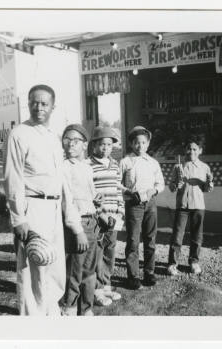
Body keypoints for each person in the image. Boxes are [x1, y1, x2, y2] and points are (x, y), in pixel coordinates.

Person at [4, 84, 85, 316]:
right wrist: (19, 219)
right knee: (33, 269)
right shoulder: (18, 134)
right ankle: (33, 322)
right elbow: (13, 178)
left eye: (44, 103)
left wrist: (72, 220)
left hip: (53, 208)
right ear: (28, 104)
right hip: (33, 208)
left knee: (54, 267)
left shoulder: (53, 136)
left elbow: (61, 180)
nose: (38, 107)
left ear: (53, 107)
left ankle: (51, 314)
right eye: (34, 102)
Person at [119, 126, 165, 290]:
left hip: (150, 203)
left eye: (143, 142)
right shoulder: (125, 162)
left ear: (148, 144)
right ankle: (133, 276)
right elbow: (117, 183)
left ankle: (149, 273)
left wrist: (154, 190)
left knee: (150, 238)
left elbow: (160, 183)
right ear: (132, 143)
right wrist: (129, 192)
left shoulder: (153, 163)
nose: (140, 146)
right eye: (136, 142)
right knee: (133, 240)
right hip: (134, 204)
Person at [60, 124, 99, 316]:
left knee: (90, 270)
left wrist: (96, 202)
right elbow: (67, 201)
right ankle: (69, 307)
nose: (70, 145)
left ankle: (86, 308)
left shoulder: (86, 167)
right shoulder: (64, 168)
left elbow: (89, 195)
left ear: (85, 145)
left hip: (92, 222)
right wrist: (78, 230)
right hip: (78, 225)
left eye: (75, 141)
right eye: (66, 140)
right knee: (75, 271)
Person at [86, 126, 124, 306]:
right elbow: (88, 192)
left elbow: (118, 191)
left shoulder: (115, 165)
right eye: (102, 144)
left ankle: (106, 285)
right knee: (97, 253)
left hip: (114, 216)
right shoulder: (88, 165)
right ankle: (97, 291)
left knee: (110, 251)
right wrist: (99, 211)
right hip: (97, 217)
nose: (106, 148)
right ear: (94, 145)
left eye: (109, 145)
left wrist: (121, 212)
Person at [167, 135, 213, 276]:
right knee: (177, 236)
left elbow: (207, 188)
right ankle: (173, 263)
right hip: (182, 206)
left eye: (194, 149)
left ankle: (194, 262)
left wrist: (209, 183)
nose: (191, 152)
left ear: (200, 150)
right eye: (189, 149)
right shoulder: (178, 167)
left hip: (198, 206)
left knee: (197, 236)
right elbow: (171, 187)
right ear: (185, 150)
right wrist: (176, 185)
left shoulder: (205, 167)